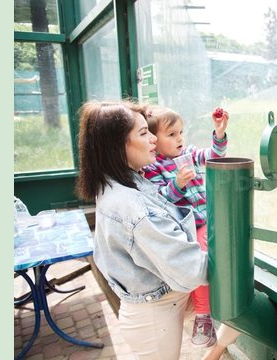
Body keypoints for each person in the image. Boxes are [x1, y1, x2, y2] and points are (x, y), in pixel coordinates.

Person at [75, 100, 237, 360]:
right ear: (117, 144)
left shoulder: (121, 182)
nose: (153, 139)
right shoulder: (134, 206)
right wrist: (237, 264)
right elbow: (191, 268)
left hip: (154, 306)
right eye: (143, 133)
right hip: (153, 317)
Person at [141, 105, 233, 348]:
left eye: (180, 132)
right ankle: (203, 316)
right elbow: (161, 200)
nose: (179, 138)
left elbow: (214, 156)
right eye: (171, 135)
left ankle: (220, 302)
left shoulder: (190, 153)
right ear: (153, 140)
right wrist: (178, 184)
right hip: (187, 227)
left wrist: (219, 133)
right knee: (200, 260)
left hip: (208, 220)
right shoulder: (153, 168)